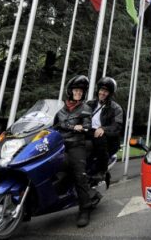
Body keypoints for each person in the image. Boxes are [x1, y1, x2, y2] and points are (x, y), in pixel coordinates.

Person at [54, 75, 99, 227]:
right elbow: (53, 126)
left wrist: (77, 127)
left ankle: (84, 210)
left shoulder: (85, 109)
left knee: (79, 175)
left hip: (76, 145)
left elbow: (86, 127)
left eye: (81, 91)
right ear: (70, 91)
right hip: (60, 145)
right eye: (76, 90)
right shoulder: (60, 111)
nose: (78, 93)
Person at [86, 77, 124, 180]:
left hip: (106, 138)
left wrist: (103, 129)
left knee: (99, 136)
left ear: (110, 93)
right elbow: (79, 117)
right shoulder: (89, 104)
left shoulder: (116, 108)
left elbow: (117, 126)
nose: (102, 93)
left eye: (106, 91)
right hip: (88, 132)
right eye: (101, 90)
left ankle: (102, 170)